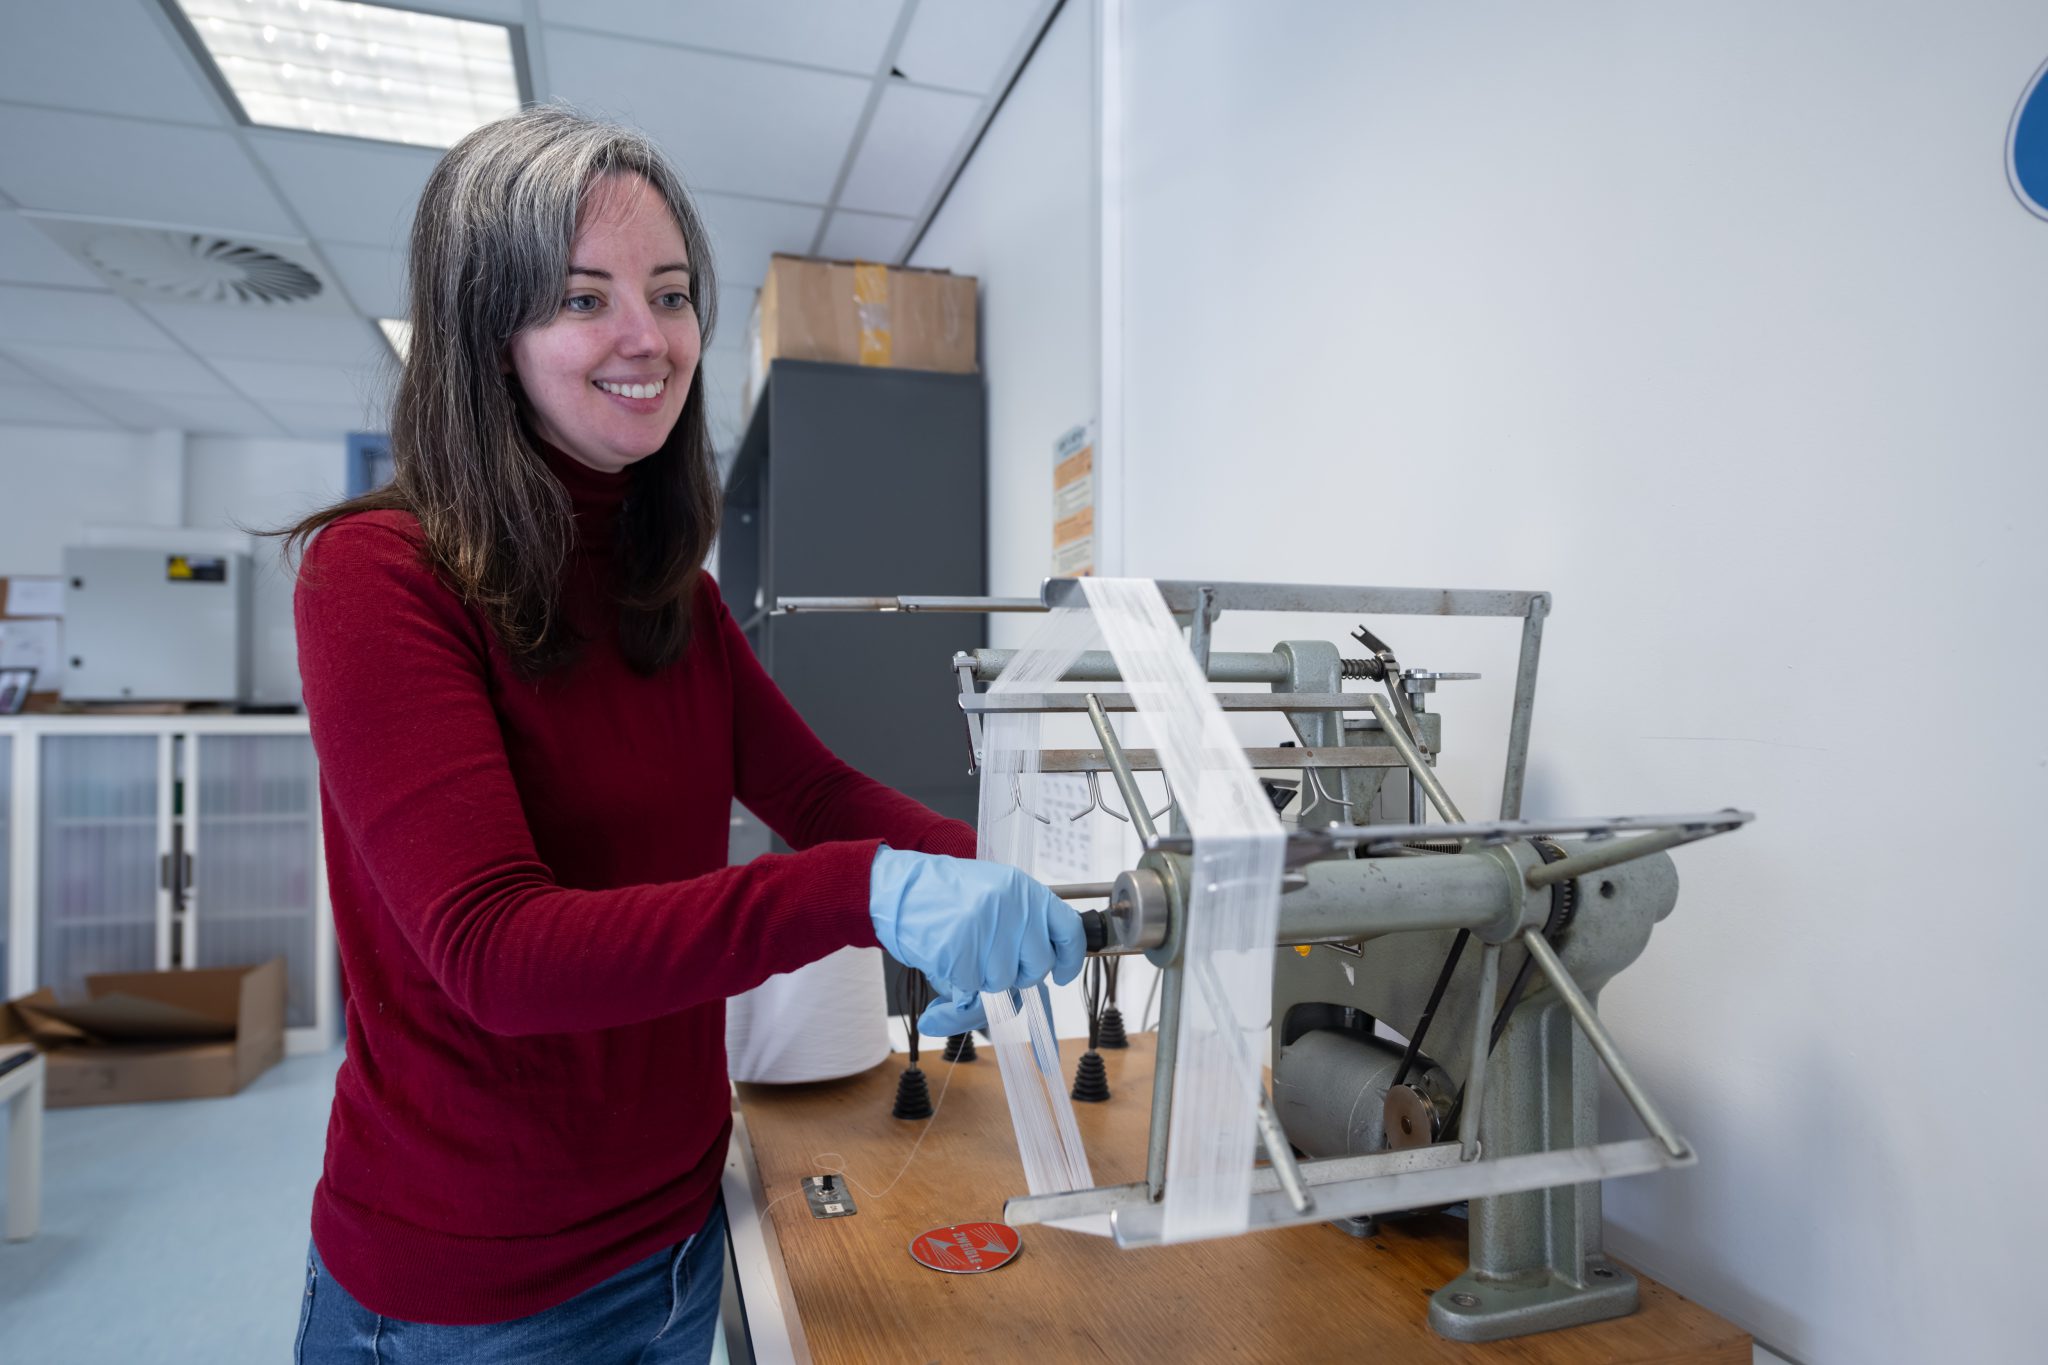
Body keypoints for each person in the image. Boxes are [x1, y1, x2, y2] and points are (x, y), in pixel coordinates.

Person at [280, 105, 1082, 1363]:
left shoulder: (671, 595)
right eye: (581, 299)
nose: (647, 338)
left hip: (679, 1228)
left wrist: (1009, 877)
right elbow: (495, 952)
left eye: (669, 294)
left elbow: (813, 789)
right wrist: (866, 893)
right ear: (488, 334)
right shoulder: (378, 577)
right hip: (476, 1290)